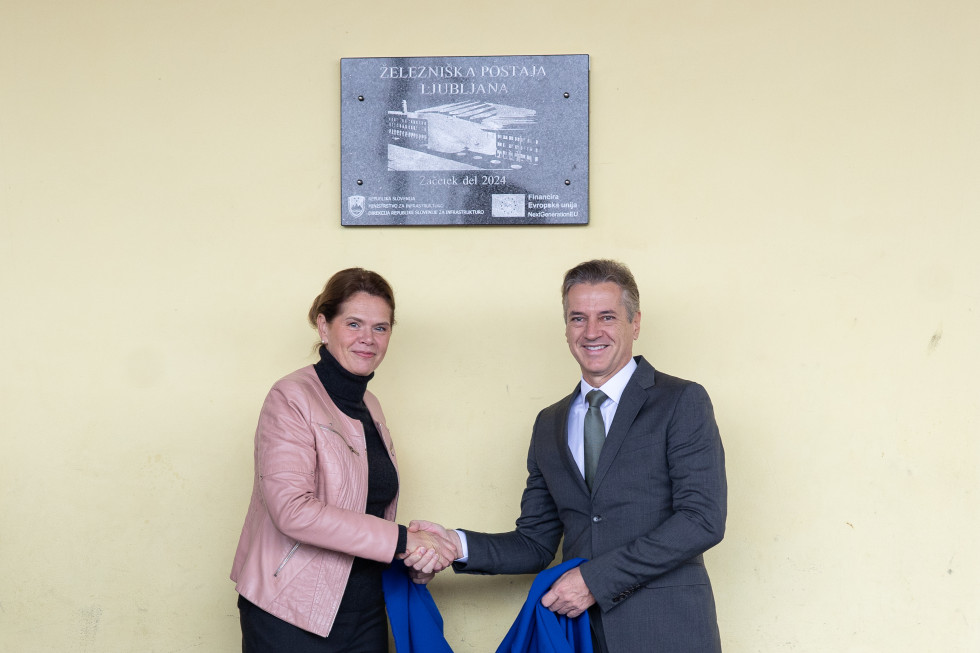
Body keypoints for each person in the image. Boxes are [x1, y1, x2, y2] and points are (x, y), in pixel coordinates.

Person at [409, 259, 727, 653]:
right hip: (578, 636)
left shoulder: (681, 401)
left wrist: (595, 581)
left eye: (607, 316)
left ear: (636, 323)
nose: (592, 332)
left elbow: (702, 520)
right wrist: (456, 545)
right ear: (565, 328)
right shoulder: (549, 423)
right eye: (578, 318)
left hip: (666, 630)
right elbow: (535, 542)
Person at [230, 268, 456, 653]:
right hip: (290, 610)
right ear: (323, 325)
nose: (368, 339)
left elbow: (365, 509)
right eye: (354, 324)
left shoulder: (371, 405)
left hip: (364, 608)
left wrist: (410, 558)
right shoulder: (290, 398)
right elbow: (293, 511)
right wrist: (403, 539)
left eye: (381, 328)